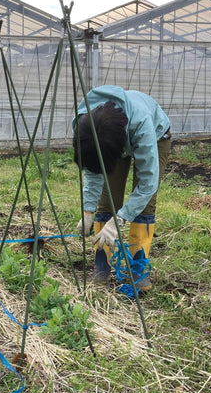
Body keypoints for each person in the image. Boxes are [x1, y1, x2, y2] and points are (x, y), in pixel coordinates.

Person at [73, 85, 171, 291]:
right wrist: (88, 211)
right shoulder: (86, 125)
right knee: (107, 198)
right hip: (112, 138)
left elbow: (147, 184)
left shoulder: (141, 123)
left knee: (145, 204)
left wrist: (119, 219)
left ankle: (138, 269)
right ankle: (102, 265)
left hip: (156, 133)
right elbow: (93, 166)